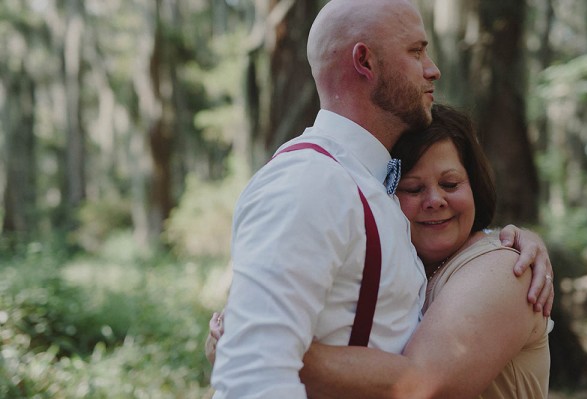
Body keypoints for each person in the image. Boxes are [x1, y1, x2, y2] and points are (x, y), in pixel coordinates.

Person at [209, 1, 554, 398]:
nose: (433, 68)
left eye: (450, 184)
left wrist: (508, 241)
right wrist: (248, 338)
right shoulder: (312, 180)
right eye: (416, 51)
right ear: (365, 62)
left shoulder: (369, 187)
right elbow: (255, 371)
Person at [295, 104, 552, 398]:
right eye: (413, 189)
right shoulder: (394, 268)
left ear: (474, 186)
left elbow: (424, 385)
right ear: (384, 199)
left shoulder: (504, 270)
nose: (435, 200)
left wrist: (277, 347)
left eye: (450, 184)